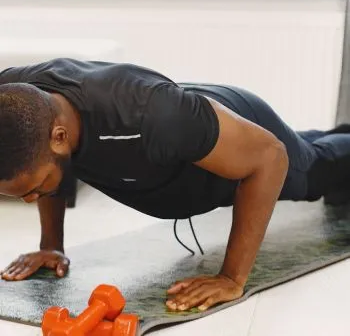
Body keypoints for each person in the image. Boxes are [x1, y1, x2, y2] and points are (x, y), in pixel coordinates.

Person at [0, 58, 349, 313]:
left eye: (36, 188)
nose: (31, 200)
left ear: (60, 136)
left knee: (312, 169)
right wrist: (51, 246)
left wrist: (231, 277)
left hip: (238, 126)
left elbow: (271, 157)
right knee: (304, 147)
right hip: (199, 125)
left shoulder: (152, 118)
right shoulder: (21, 104)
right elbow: (33, 155)